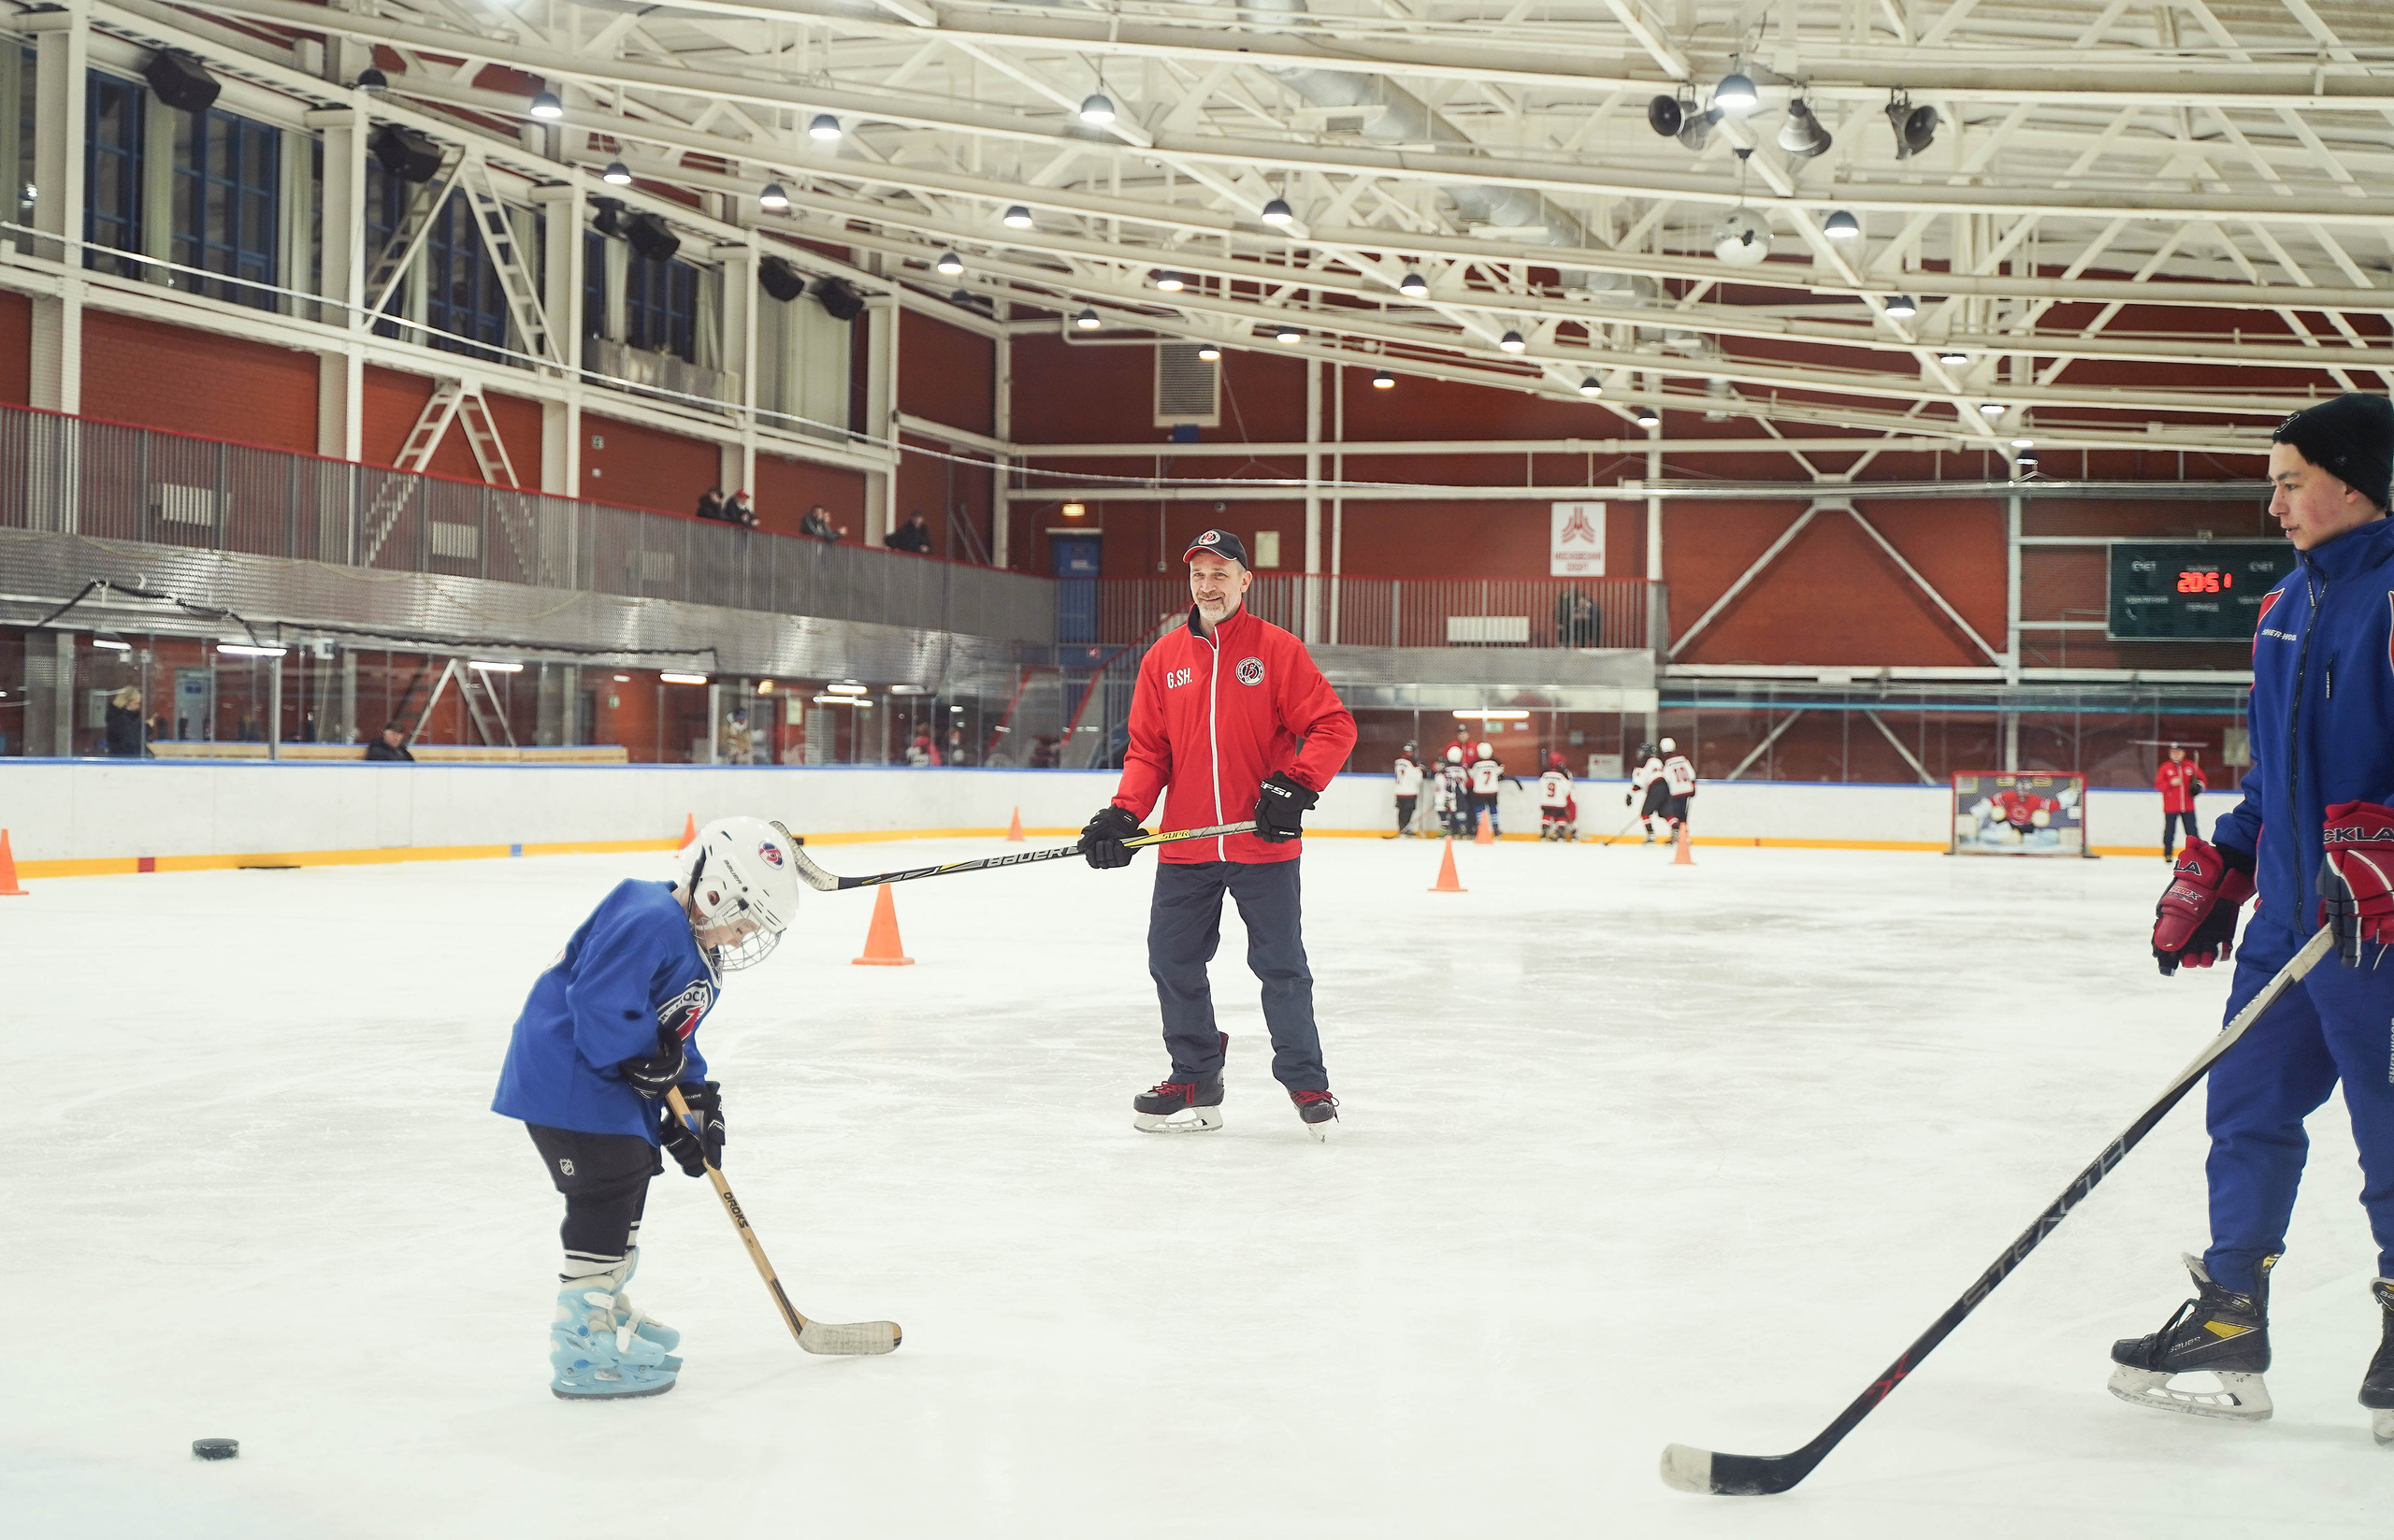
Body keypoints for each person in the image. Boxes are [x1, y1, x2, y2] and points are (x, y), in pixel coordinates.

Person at [2125, 392, 2394, 1443]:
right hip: (2292, 918)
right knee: (2242, 1107)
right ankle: (2230, 1317)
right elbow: (2275, 778)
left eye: (2288, 479)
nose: (2271, 501)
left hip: (2375, 928)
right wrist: (2229, 862)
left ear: (2353, 481)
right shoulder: (2283, 606)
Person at [492, 815, 800, 1400]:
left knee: (631, 1176)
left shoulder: (690, 943)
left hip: (602, 1084)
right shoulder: (651, 918)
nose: (740, 940)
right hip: (569, 1081)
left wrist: (697, 1103)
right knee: (606, 1190)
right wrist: (645, 1060)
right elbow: (598, 1002)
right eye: (742, 924)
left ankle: (603, 1308)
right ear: (715, 893)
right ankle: (581, 1344)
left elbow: (671, 1032)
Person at [1076, 528, 1357, 1142]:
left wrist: (1296, 785)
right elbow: (1149, 753)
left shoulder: (1277, 651)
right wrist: (1126, 814)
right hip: (1188, 844)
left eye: (1221, 573)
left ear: (1245, 581)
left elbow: (1334, 727)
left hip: (1262, 844)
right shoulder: (1162, 660)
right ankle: (1196, 1075)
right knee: (1171, 959)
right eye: (1200, 574)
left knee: (1282, 967)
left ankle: (1308, 1083)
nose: (1209, 584)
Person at [2156, 745, 2206, 860]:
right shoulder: (2165, 767)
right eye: (2173, 752)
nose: (2175, 754)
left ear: (2183, 753)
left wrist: (2198, 787)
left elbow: (2202, 781)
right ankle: (2168, 853)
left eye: (2178, 752)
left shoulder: (2191, 766)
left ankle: (2196, 853)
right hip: (2171, 806)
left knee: (2192, 831)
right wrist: (2170, 783)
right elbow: (2159, 785)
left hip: (2188, 806)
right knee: (2169, 831)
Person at [1466, 741, 1517, 836]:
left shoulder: (1475, 763)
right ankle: (1496, 827)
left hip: (1479, 791)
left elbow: (1471, 774)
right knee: (1493, 808)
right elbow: (1500, 769)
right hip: (1492, 790)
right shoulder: (1495, 762)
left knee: (1479, 808)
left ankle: (1480, 827)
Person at [1657, 738, 1698, 837]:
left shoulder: (1667, 764)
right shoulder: (1683, 759)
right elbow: (1692, 775)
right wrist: (1693, 787)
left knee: (1675, 814)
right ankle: (1685, 835)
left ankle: (1676, 835)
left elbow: (1666, 779)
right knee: (1684, 814)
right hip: (1687, 790)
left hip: (1675, 792)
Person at [1628, 740, 1666, 842]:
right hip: (1666, 788)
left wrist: (1630, 794)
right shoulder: (1657, 761)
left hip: (1654, 788)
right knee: (1667, 813)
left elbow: (1638, 784)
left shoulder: (1642, 764)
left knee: (1645, 814)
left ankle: (1651, 836)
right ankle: (1677, 833)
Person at [1537, 753, 1576, 842]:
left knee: (1546, 814)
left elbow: (1540, 785)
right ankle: (1560, 832)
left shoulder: (1544, 774)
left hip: (1546, 800)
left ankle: (1544, 833)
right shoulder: (1562, 775)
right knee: (1560, 816)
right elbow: (1567, 789)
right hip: (1559, 801)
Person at [1438, 744, 1471, 838]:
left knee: (1447, 810)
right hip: (1460, 792)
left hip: (1448, 793)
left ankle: (1447, 829)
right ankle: (1462, 827)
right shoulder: (1463, 768)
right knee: (1461, 810)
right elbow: (1466, 779)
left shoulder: (1445, 769)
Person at [1392, 741, 1423, 838]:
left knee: (1401, 810)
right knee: (1408, 810)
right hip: (1410, 790)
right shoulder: (1413, 762)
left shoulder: (1398, 762)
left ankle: (1401, 828)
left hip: (1399, 790)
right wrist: (1420, 769)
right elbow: (1418, 779)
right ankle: (1405, 829)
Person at [104, 687, 143, 757]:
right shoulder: (119, 720)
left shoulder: (129, 718)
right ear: (126, 702)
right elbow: (131, 742)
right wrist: (147, 728)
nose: (137, 707)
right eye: (135, 703)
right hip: (123, 759)